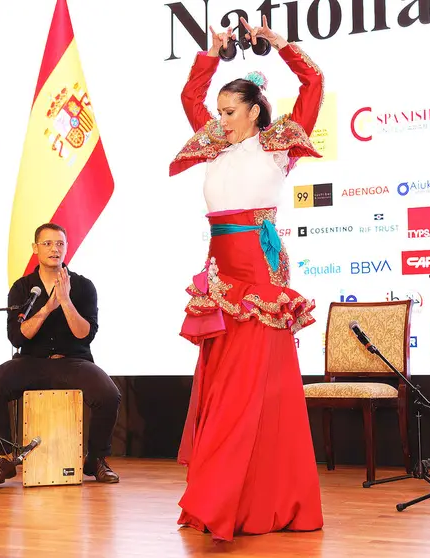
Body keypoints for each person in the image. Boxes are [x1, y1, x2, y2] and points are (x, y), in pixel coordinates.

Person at [168, 16, 324, 541]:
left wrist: (284, 47)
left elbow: (314, 86)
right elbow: (191, 94)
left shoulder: (277, 145)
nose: (221, 119)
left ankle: (250, 499)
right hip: (220, 276)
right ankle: (227, 497)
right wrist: (212, 52)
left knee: (257, 388)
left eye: (230, 111)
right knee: (223, 391)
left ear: (256, 111)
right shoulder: (213, 144)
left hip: (259, 273)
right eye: (219, 112)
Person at [0, 223, 121, 485]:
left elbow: (84, 334)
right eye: (47, 244)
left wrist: (66, 302)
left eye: (60, 244)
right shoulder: (23, 288)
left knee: (108, 394)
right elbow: (18, 337)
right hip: (32, 362)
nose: (54, 249)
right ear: (35, 248)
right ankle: (3, 457)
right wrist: (46, 308)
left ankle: (96, 459)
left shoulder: (83, 286)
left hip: (73, 362)